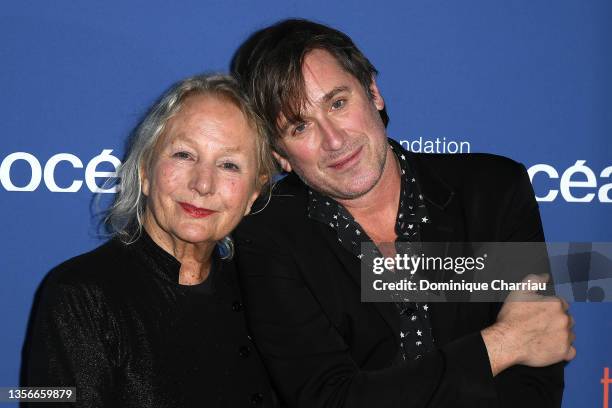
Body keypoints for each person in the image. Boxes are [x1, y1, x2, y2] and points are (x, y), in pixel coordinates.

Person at [230, 19, 575, 408]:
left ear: (373, 92)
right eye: (299, 127)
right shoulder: (269, 235)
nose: (335, 140)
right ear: (280, 155)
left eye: (338, 103)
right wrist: (502, 343)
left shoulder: (493, 192)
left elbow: (536, 369)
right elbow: (330, 400)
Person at [21, 74, 278, 407]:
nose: (203, 184)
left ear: (252, 194)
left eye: (229, 164)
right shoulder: (76, 295)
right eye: (184, 155)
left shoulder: (268, 292)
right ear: (144, 170)